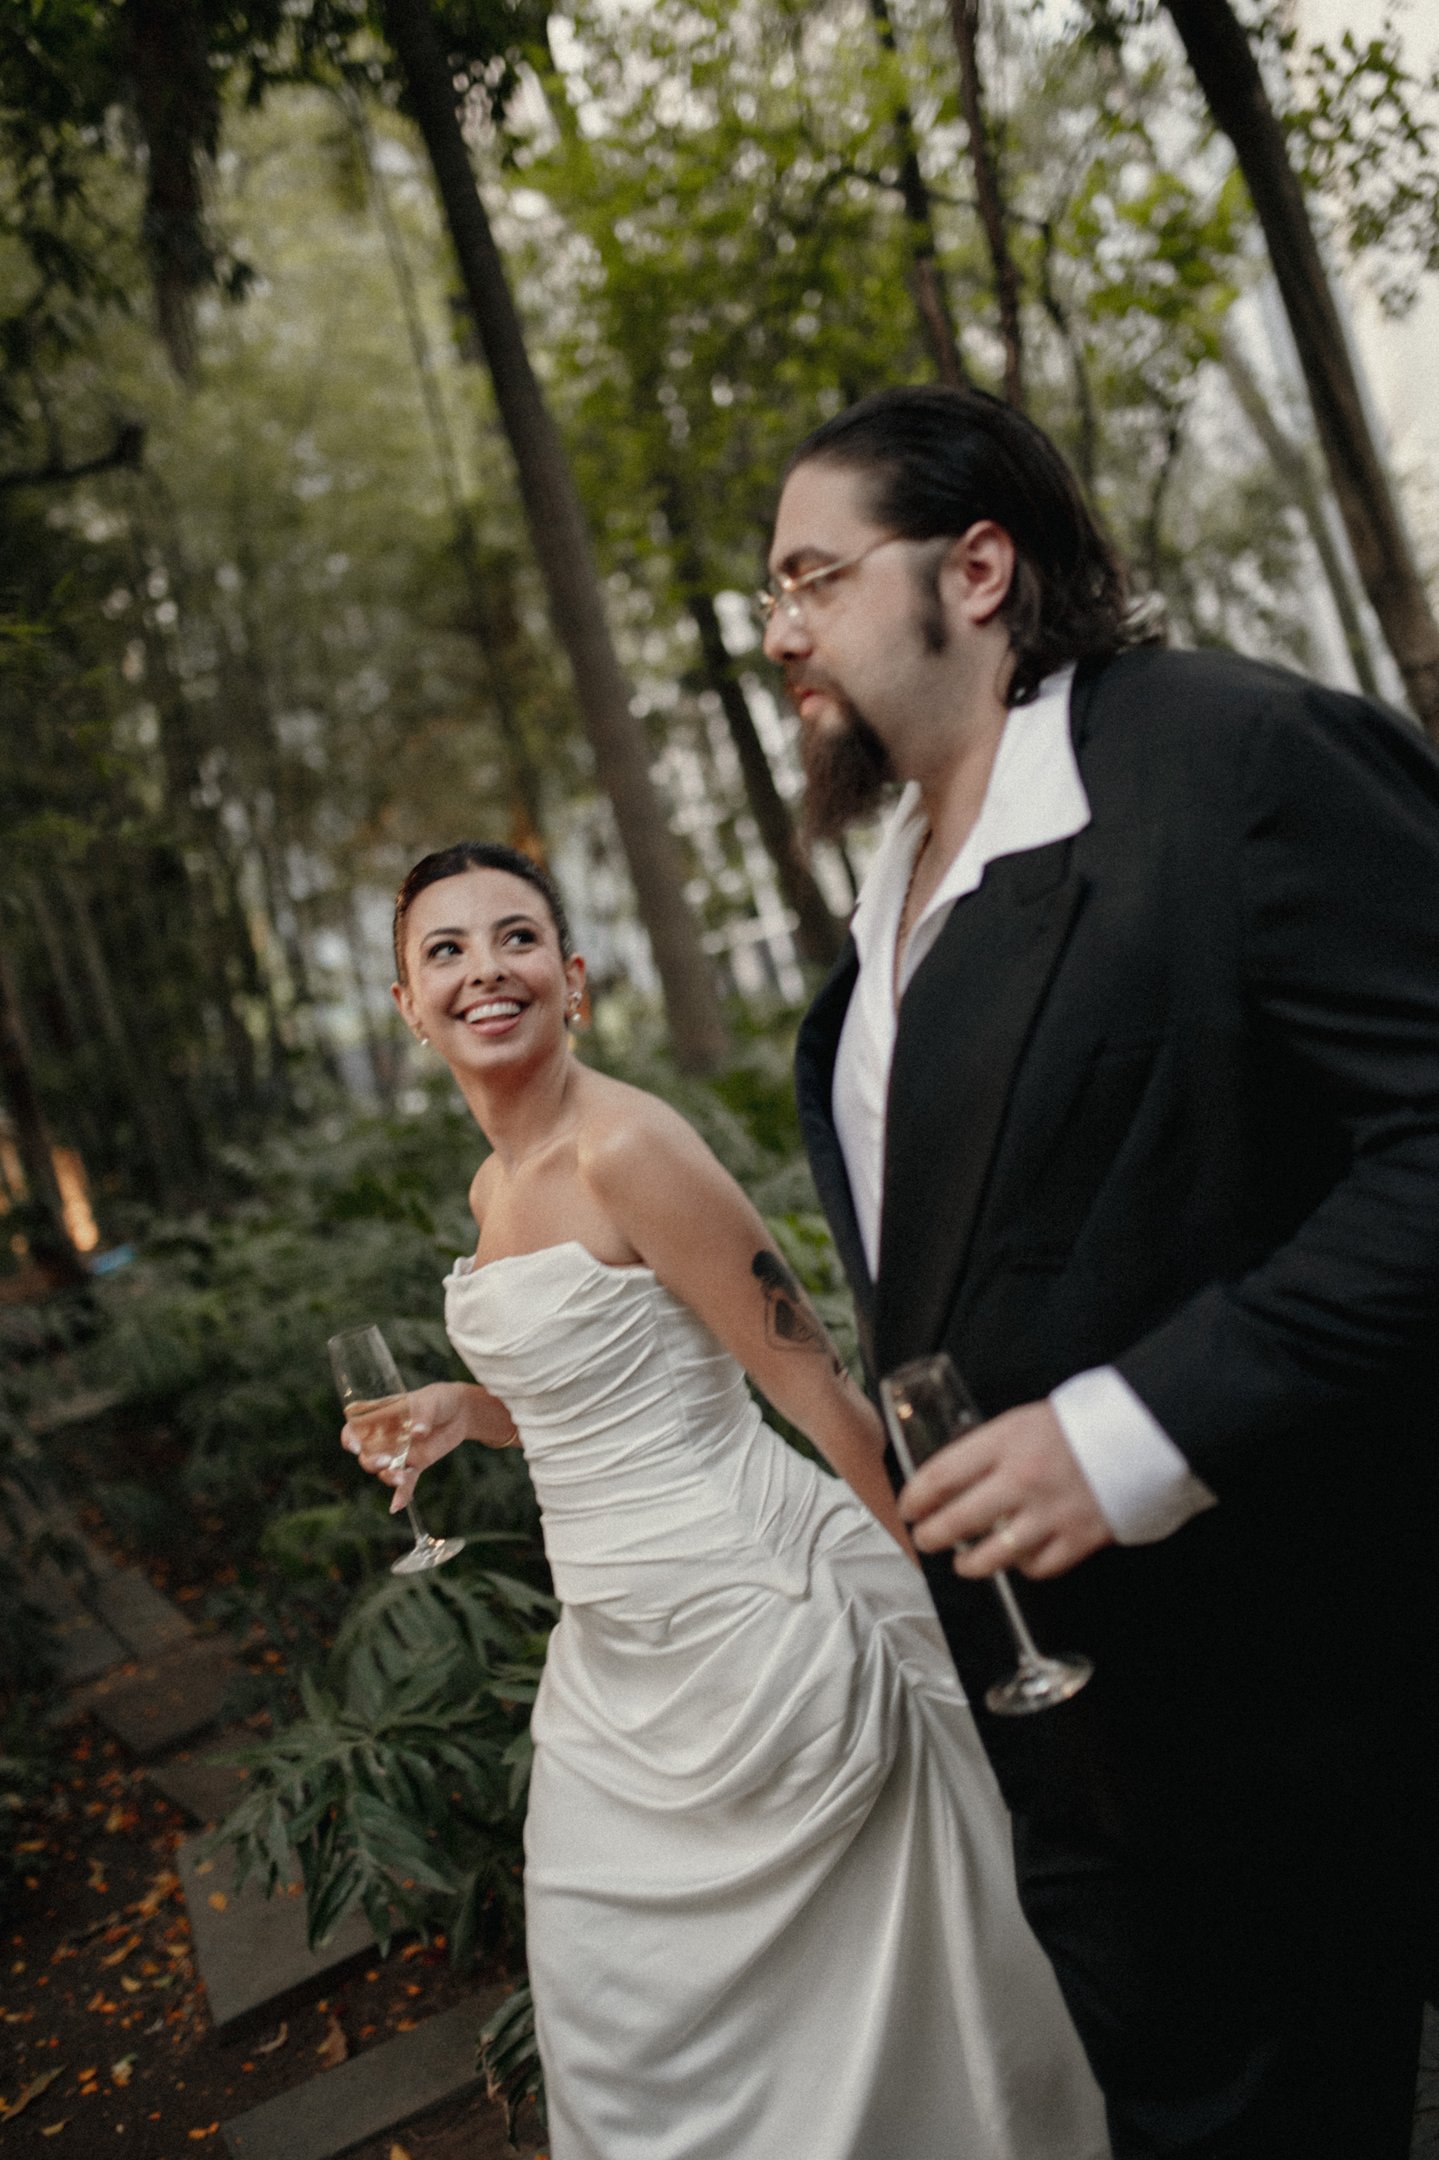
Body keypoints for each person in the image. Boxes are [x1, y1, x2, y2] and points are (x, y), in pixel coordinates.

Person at [771, 382, 1439, 2160]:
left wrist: (1141, 1427)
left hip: (1330, 1670)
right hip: (1090, 1749)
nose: (781, 635)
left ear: (975, 568)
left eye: (812, 579)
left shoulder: (1229, 762)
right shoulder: (883, 912)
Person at [343, 840, 1109, 2160]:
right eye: (446, 951)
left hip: (760, 1629)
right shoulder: (491, 1184)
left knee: (856, 2013)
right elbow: (592, 1413)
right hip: (611, 1670)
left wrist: (977, 1601)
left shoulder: (629, 1148)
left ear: (572, 979)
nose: (485, 970)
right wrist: (466, 1412)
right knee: (618, 2019)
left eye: (516, 938)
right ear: (409, 1007)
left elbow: (815, 1398)